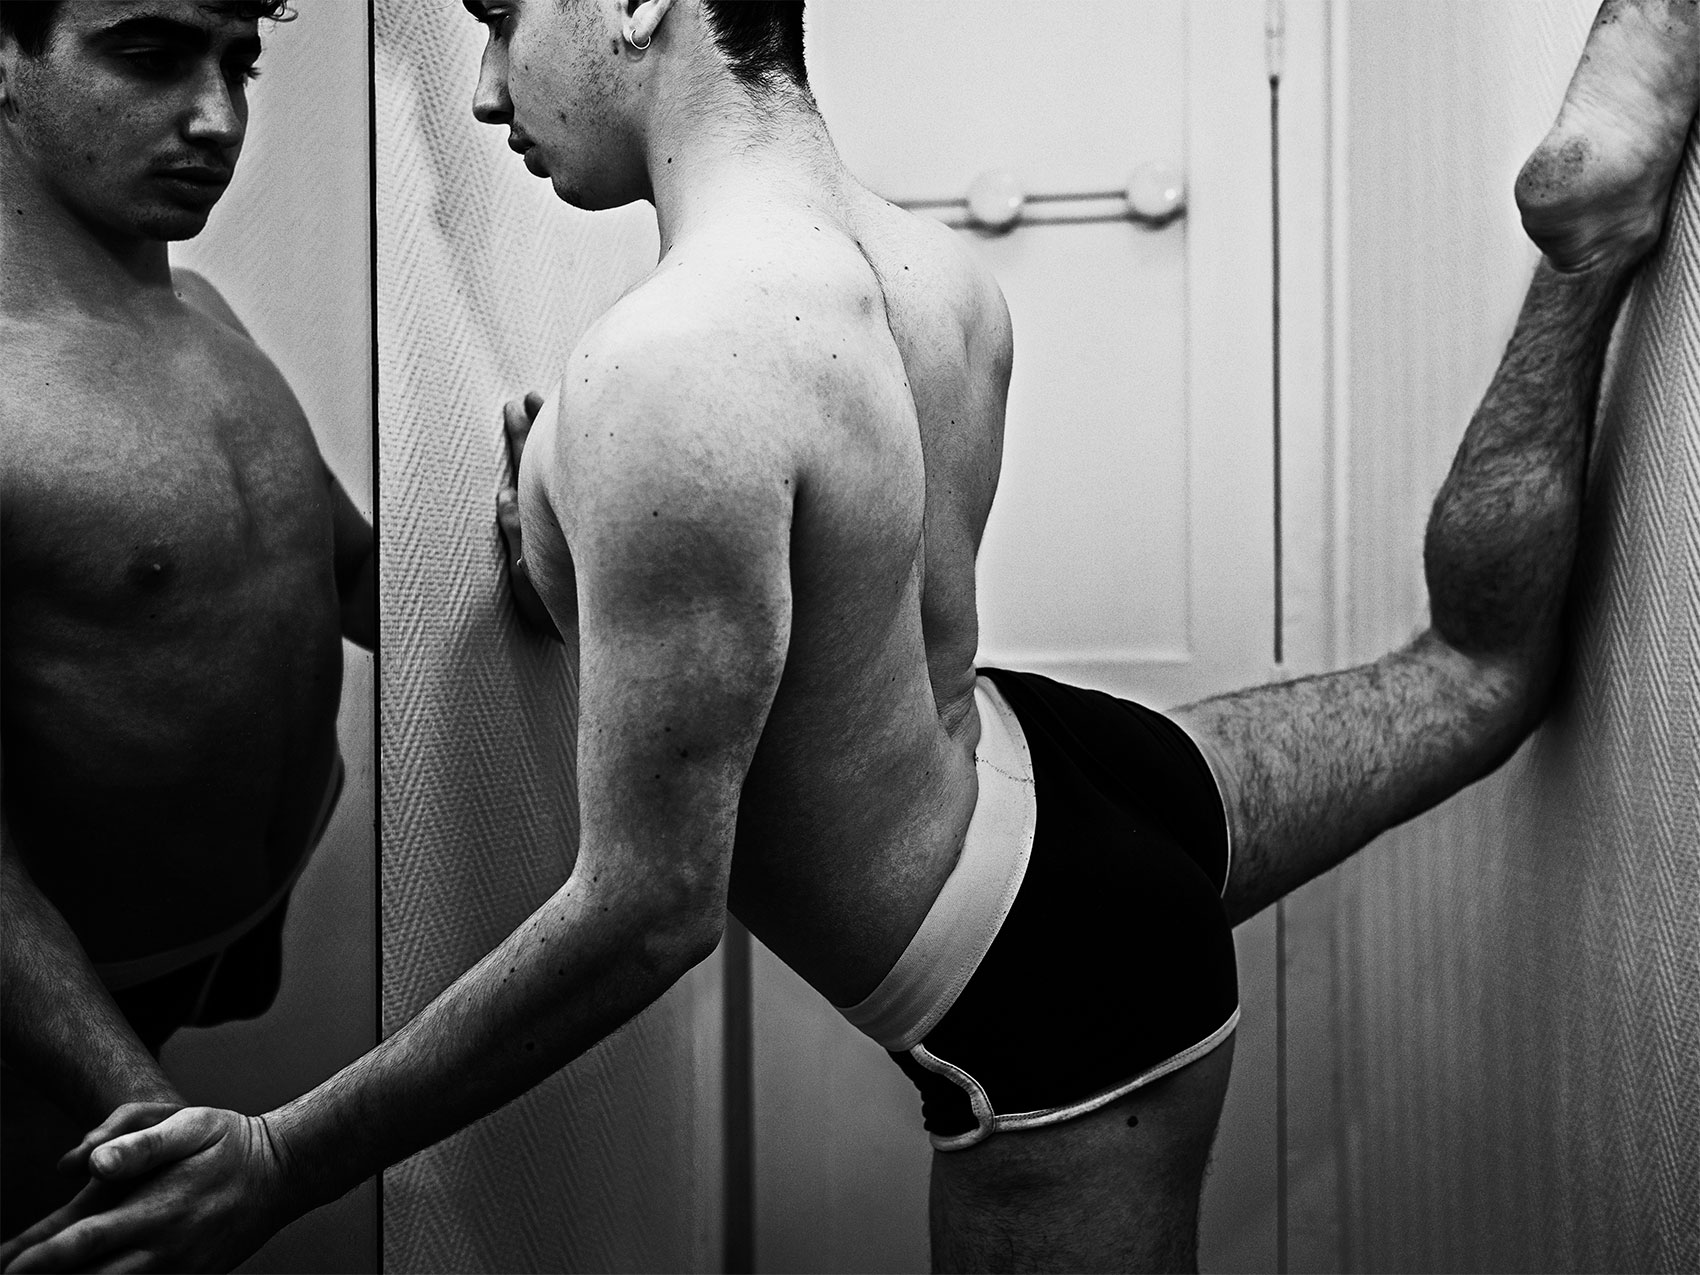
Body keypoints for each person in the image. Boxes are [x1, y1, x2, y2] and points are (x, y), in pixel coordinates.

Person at [7, 0, 1697, 1270]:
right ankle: (1581, 255)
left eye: (505, 21)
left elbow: (648, 913)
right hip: (1075, 777)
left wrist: (286, 1157)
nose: (490, 91)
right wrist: (559, 548)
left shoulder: (667, 371)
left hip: (1041, 987)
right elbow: (826, 644)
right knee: (1475, 678)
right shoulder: (933, 273)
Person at [0, 0, 374, 1243]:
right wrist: (164, 1131)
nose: (218, 119)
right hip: (55, 1007)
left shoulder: (204, 309)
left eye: (238, 64)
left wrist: (543, 539)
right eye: (150, 56)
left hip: (227, 929)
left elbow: (343, 572)